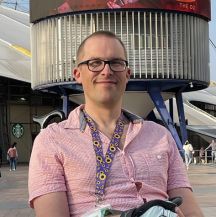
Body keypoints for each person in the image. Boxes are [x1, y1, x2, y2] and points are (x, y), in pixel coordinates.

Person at [28, 31, 204, 217]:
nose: (106, 70)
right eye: (94, 63)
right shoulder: (52, 140)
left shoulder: (161, 135)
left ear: (127, 74)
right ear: (77, 74)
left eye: (116, 63)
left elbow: (191, 210)